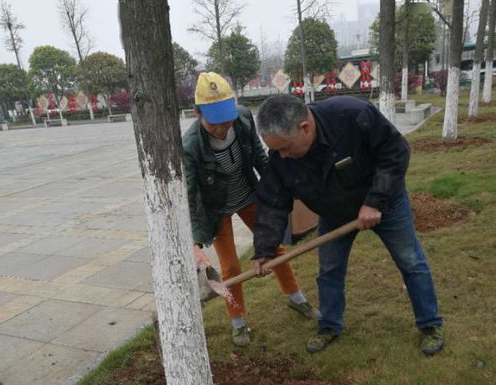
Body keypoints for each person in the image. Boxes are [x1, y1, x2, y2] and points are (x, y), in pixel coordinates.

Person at [251, 94, 444, 356]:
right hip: (335, 212)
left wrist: (375, 201)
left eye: (285, 148)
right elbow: (273, 203)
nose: (282, 156)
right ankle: (329, 325)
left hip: (385, 200)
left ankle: (430, 325)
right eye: (276, 150)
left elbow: (395, 152)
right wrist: (264, 250)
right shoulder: (280, 158)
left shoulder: (353, 115)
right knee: (329, 269)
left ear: (304, 128)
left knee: (410, 261)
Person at [182, 72, 319, 347]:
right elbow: (190, 194)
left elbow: (259, 157)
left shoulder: (243, 118)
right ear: (197, 113)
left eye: (227, 119)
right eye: (215, 123)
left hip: (248, 195)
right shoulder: (191, 146)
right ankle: (238, 322)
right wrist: (193, 242)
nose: (223, 128)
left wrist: (280, 187)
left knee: (273, 248)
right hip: (216, 207)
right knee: (231, 266)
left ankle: (297, 299)